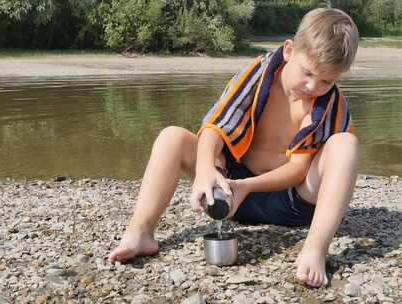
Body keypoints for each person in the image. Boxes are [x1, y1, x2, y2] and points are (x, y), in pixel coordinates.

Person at [108, 7, 360, 288]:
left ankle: (315, 249)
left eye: (327, 81)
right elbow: (215, 125)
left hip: (293, 204)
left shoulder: (330, 105)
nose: (313, 86)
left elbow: (299, 169)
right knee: (172, 137)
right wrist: (205, 170)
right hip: (229, 192)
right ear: (289, 50)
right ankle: (141, 231)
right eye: (308, 72)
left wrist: (248, 186)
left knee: (345, 144)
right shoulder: (260, 72)